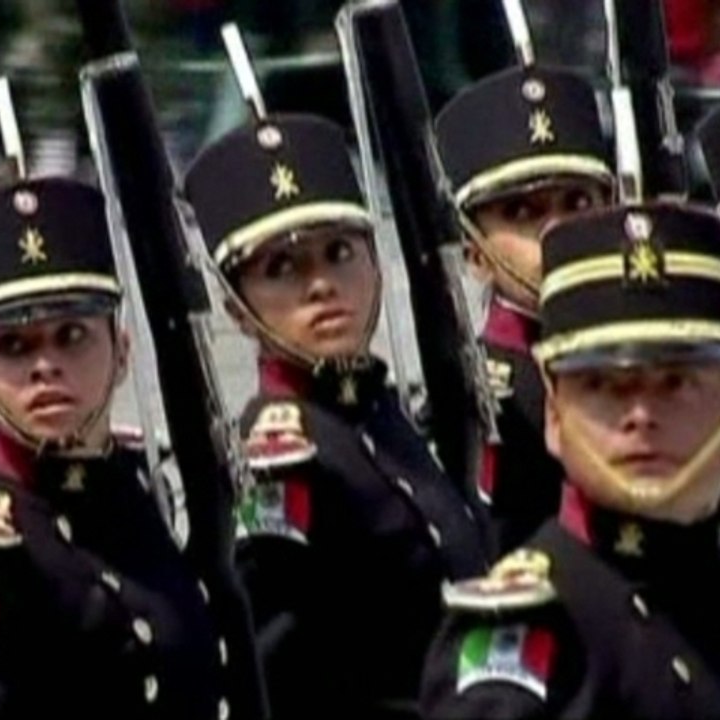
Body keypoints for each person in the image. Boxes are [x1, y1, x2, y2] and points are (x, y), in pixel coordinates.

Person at [183, 113, 488, 719]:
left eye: (339, 252)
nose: (321, 284)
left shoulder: (379, 416)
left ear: (375, 263)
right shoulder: (278, 463)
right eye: (281, 268)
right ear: (237, 309)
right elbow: (277, 676)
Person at [0, 175, 261, 720]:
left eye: (72, 336)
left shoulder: (140, 492)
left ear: (122, 351)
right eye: (12, 346)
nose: (45, 366)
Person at [421, 201, 720, 718]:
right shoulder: (534, 637)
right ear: (554, 411)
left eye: (675, 381)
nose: (641, 415)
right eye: (603, 385)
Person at [434, 63, 615, 553]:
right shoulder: (492, 402)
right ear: (475, 252)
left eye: (577, 201)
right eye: (522, 212)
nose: (557, 231)